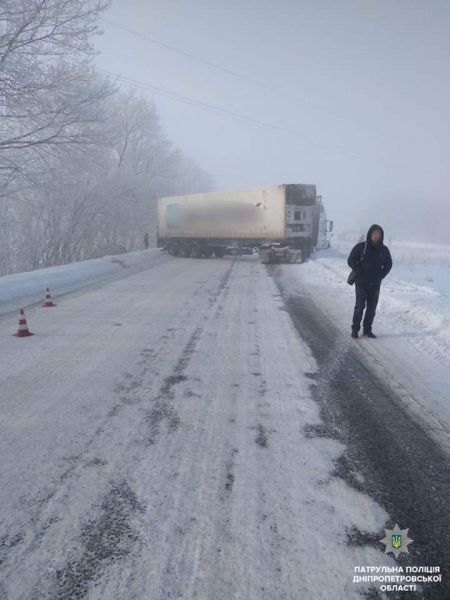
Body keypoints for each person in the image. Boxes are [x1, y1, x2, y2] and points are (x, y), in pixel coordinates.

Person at [347, 224, 392, 338]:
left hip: (375, 284)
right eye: (375, 234)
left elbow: (389, 264)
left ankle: (367, 330)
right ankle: (355, 329)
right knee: (360, 307)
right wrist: (359, 270)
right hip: (361, 283)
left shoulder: (384, 250)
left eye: (379, 234)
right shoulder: (361, 247)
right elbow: (351, 260)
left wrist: (381, 275)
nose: (377, 236)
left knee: (371, 308)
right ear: (370, 234)